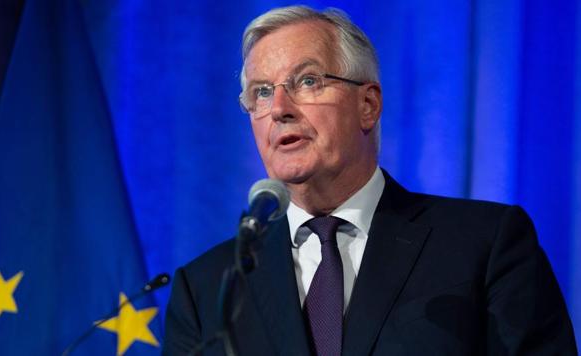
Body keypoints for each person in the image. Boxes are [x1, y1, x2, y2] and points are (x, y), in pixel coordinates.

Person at [162, 5, 577, 355]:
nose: (279, 109)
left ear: (368, 105)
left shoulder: (485, 245)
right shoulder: (207, 290)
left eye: (307, 81)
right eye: (261, 93)